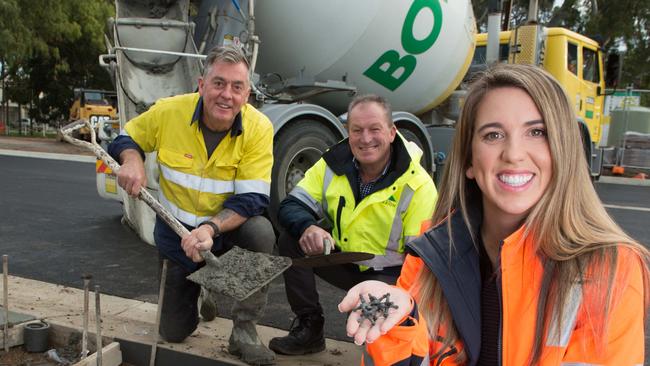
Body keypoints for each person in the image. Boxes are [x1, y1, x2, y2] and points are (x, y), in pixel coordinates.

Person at [339, 64, 650, 365]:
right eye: (493, 135)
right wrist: (398, 325)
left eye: (537, 132)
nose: (513, 154)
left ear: (563, 150)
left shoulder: (611, 270)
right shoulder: (429, 257)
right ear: (470, 161)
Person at [108, 45, 276, 365]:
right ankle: (201, 290)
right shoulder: (169, 112)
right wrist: (132, 160)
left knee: (261, 232)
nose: (226, 95)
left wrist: (210, 228)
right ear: (201, 85)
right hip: (177, 236)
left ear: (247, 94)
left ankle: (244, 331)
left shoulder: (258, 128)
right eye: (218, 83)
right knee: (172, 331)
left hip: (224, 235)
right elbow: (125, 138)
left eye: (237, 87)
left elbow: (252, 199)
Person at [269, 94, 438, 355]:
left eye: (375, 129)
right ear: (348, 134)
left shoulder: (419, 186)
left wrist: (398, 303)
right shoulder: (331, 164)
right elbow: (290, 205)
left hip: (391, 276)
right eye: (357, 130)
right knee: (291, 240)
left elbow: (423, 264)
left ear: (392, 133)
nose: (365, 138)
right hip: (345, 260)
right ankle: (310, 328)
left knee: (380, 349)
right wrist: (308, 227)